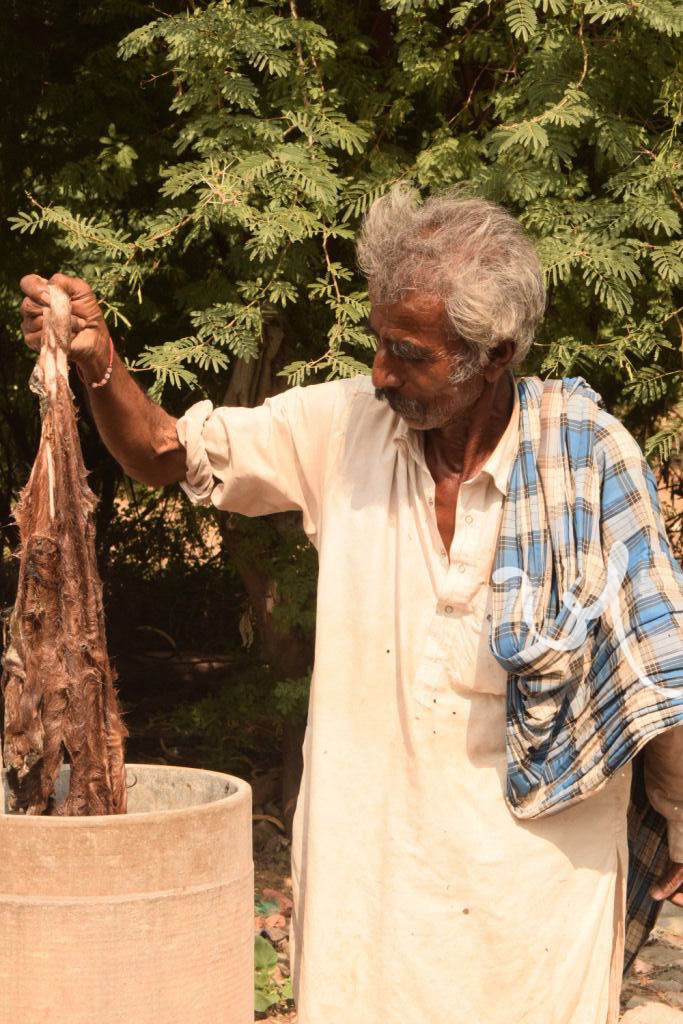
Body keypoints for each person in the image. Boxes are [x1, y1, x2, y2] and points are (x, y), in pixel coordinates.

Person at [19, 186, 683, 1024]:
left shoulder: (586, 456)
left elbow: (655, 663)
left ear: (495, 354)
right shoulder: (341, 429)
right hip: (368, 873)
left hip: (533, 887)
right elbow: (162, 452)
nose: (379, 373)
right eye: (378, 342)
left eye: (408, 354)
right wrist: (97, 362)